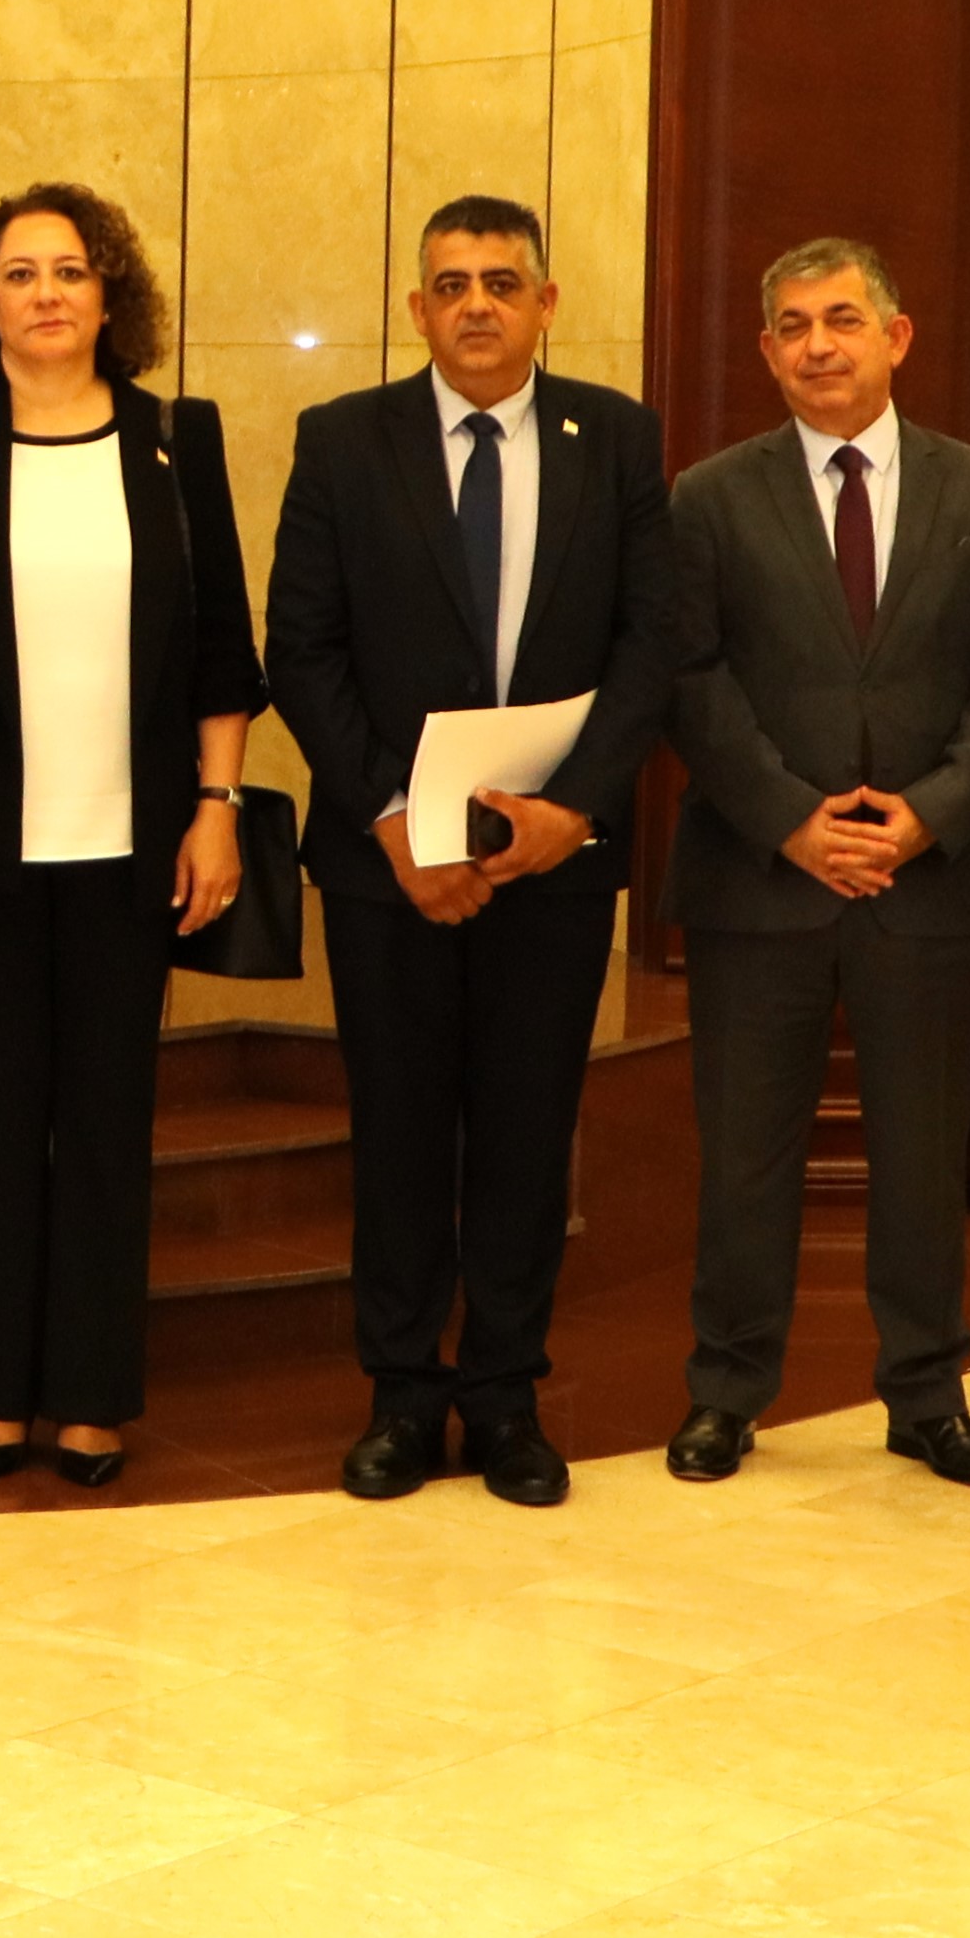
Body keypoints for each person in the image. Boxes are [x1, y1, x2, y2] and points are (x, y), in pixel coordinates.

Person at [267, 197, 677, 1508]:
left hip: (550, 861)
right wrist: (391, 820)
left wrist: (578, 808)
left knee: (522, 1133)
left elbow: (650, 643)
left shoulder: (615, 438)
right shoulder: (342, 441)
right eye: (450, 285)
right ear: (416, 311)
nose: (476, 305)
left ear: (544, 304)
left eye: (501, 282)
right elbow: (301, 649)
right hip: (385, 864)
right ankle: (398, 1396)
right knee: (397, 1133)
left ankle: (503, 1397)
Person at [0, 188, 262, 1485]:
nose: (45, 293)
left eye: (69, 271)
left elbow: (221, 652)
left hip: (132, 851)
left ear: (106, 296)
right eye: (18, 273)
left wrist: (216, 812)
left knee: (104, 1120)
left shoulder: (172, 441)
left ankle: (88, 1396)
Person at [661, 238, 970, 1492]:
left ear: (896, 336)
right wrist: (789, 819)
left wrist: (926, 816)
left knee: (923, 1154)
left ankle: (926, 1394)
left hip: (928, 882)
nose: (816, 344)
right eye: (791, 326)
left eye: (840, 319)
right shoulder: (706, 498)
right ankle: (725, 1391)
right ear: (764, 351)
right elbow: (688, 676)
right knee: (744, 1155)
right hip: (757, 879)